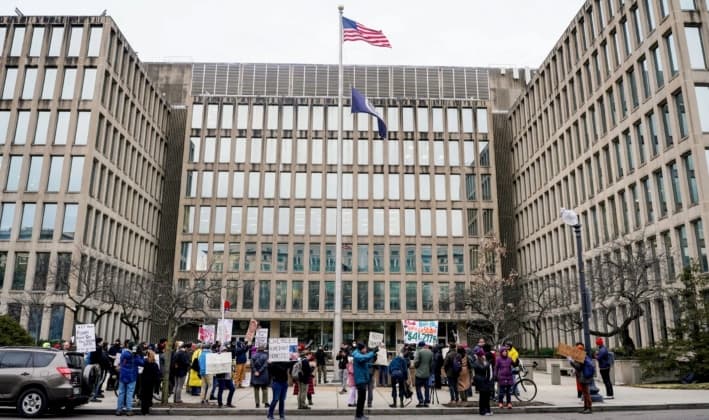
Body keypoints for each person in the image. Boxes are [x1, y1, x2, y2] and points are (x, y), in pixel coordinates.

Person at [116, 342, 144, 416]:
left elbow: (121, 363)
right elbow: (142, 363)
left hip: (122, 376)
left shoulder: (123, 353)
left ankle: (119, 410)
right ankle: (129, 410)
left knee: (121, 393)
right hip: (131, 376)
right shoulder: (134, 356)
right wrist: (141, 355)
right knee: (129, 393)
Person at [352, 342, 376, 420]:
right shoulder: (357, 355)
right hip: (360, 379)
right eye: (365, 348)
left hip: (363, 379)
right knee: (361, 399)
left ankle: (360, 414)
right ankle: (358, 415)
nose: (366, 350)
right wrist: (373, 352)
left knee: (362, 399)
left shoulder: (360, 355)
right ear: (361, 349)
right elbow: (363, 358)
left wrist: (373, 364)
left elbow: (365, 362)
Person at [568, 342, 594, 414]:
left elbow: (578, 367)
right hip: (584, 376)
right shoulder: (584, 355)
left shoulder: (581, 356)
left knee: (586, 393)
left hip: (583, 376)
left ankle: (589, 408)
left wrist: (571, 361)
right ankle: (586, 408)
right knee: (585, 392)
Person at [472, 348, 493, 416]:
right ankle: (482, 411)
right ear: (480, 355)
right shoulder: (477, 362)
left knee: (486, 396)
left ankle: (487, 410)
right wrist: (488, 364)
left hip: (484, 381)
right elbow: (482, 368)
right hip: (481, 381)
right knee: (483, 397)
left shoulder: (483, 361)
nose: (484, 356)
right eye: (483, 355)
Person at [139, 350, 161, 415]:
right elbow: (157, 374)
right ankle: (147, 409)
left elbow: (140, 371)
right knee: (149, 395)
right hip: (151, 382)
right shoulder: (155, 364)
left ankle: (143, 410)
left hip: (144, 381)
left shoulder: (144, 362)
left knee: (143, 396)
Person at [413, 341, 433, 408]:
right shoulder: (430, 352)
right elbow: (431, 364)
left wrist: (416, 366)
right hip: (427, 373)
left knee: (418, 388)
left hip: (419, 373)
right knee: (426, 388)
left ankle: (421, 401)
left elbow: (416, 363)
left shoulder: (419, 352)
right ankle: (426, 401)